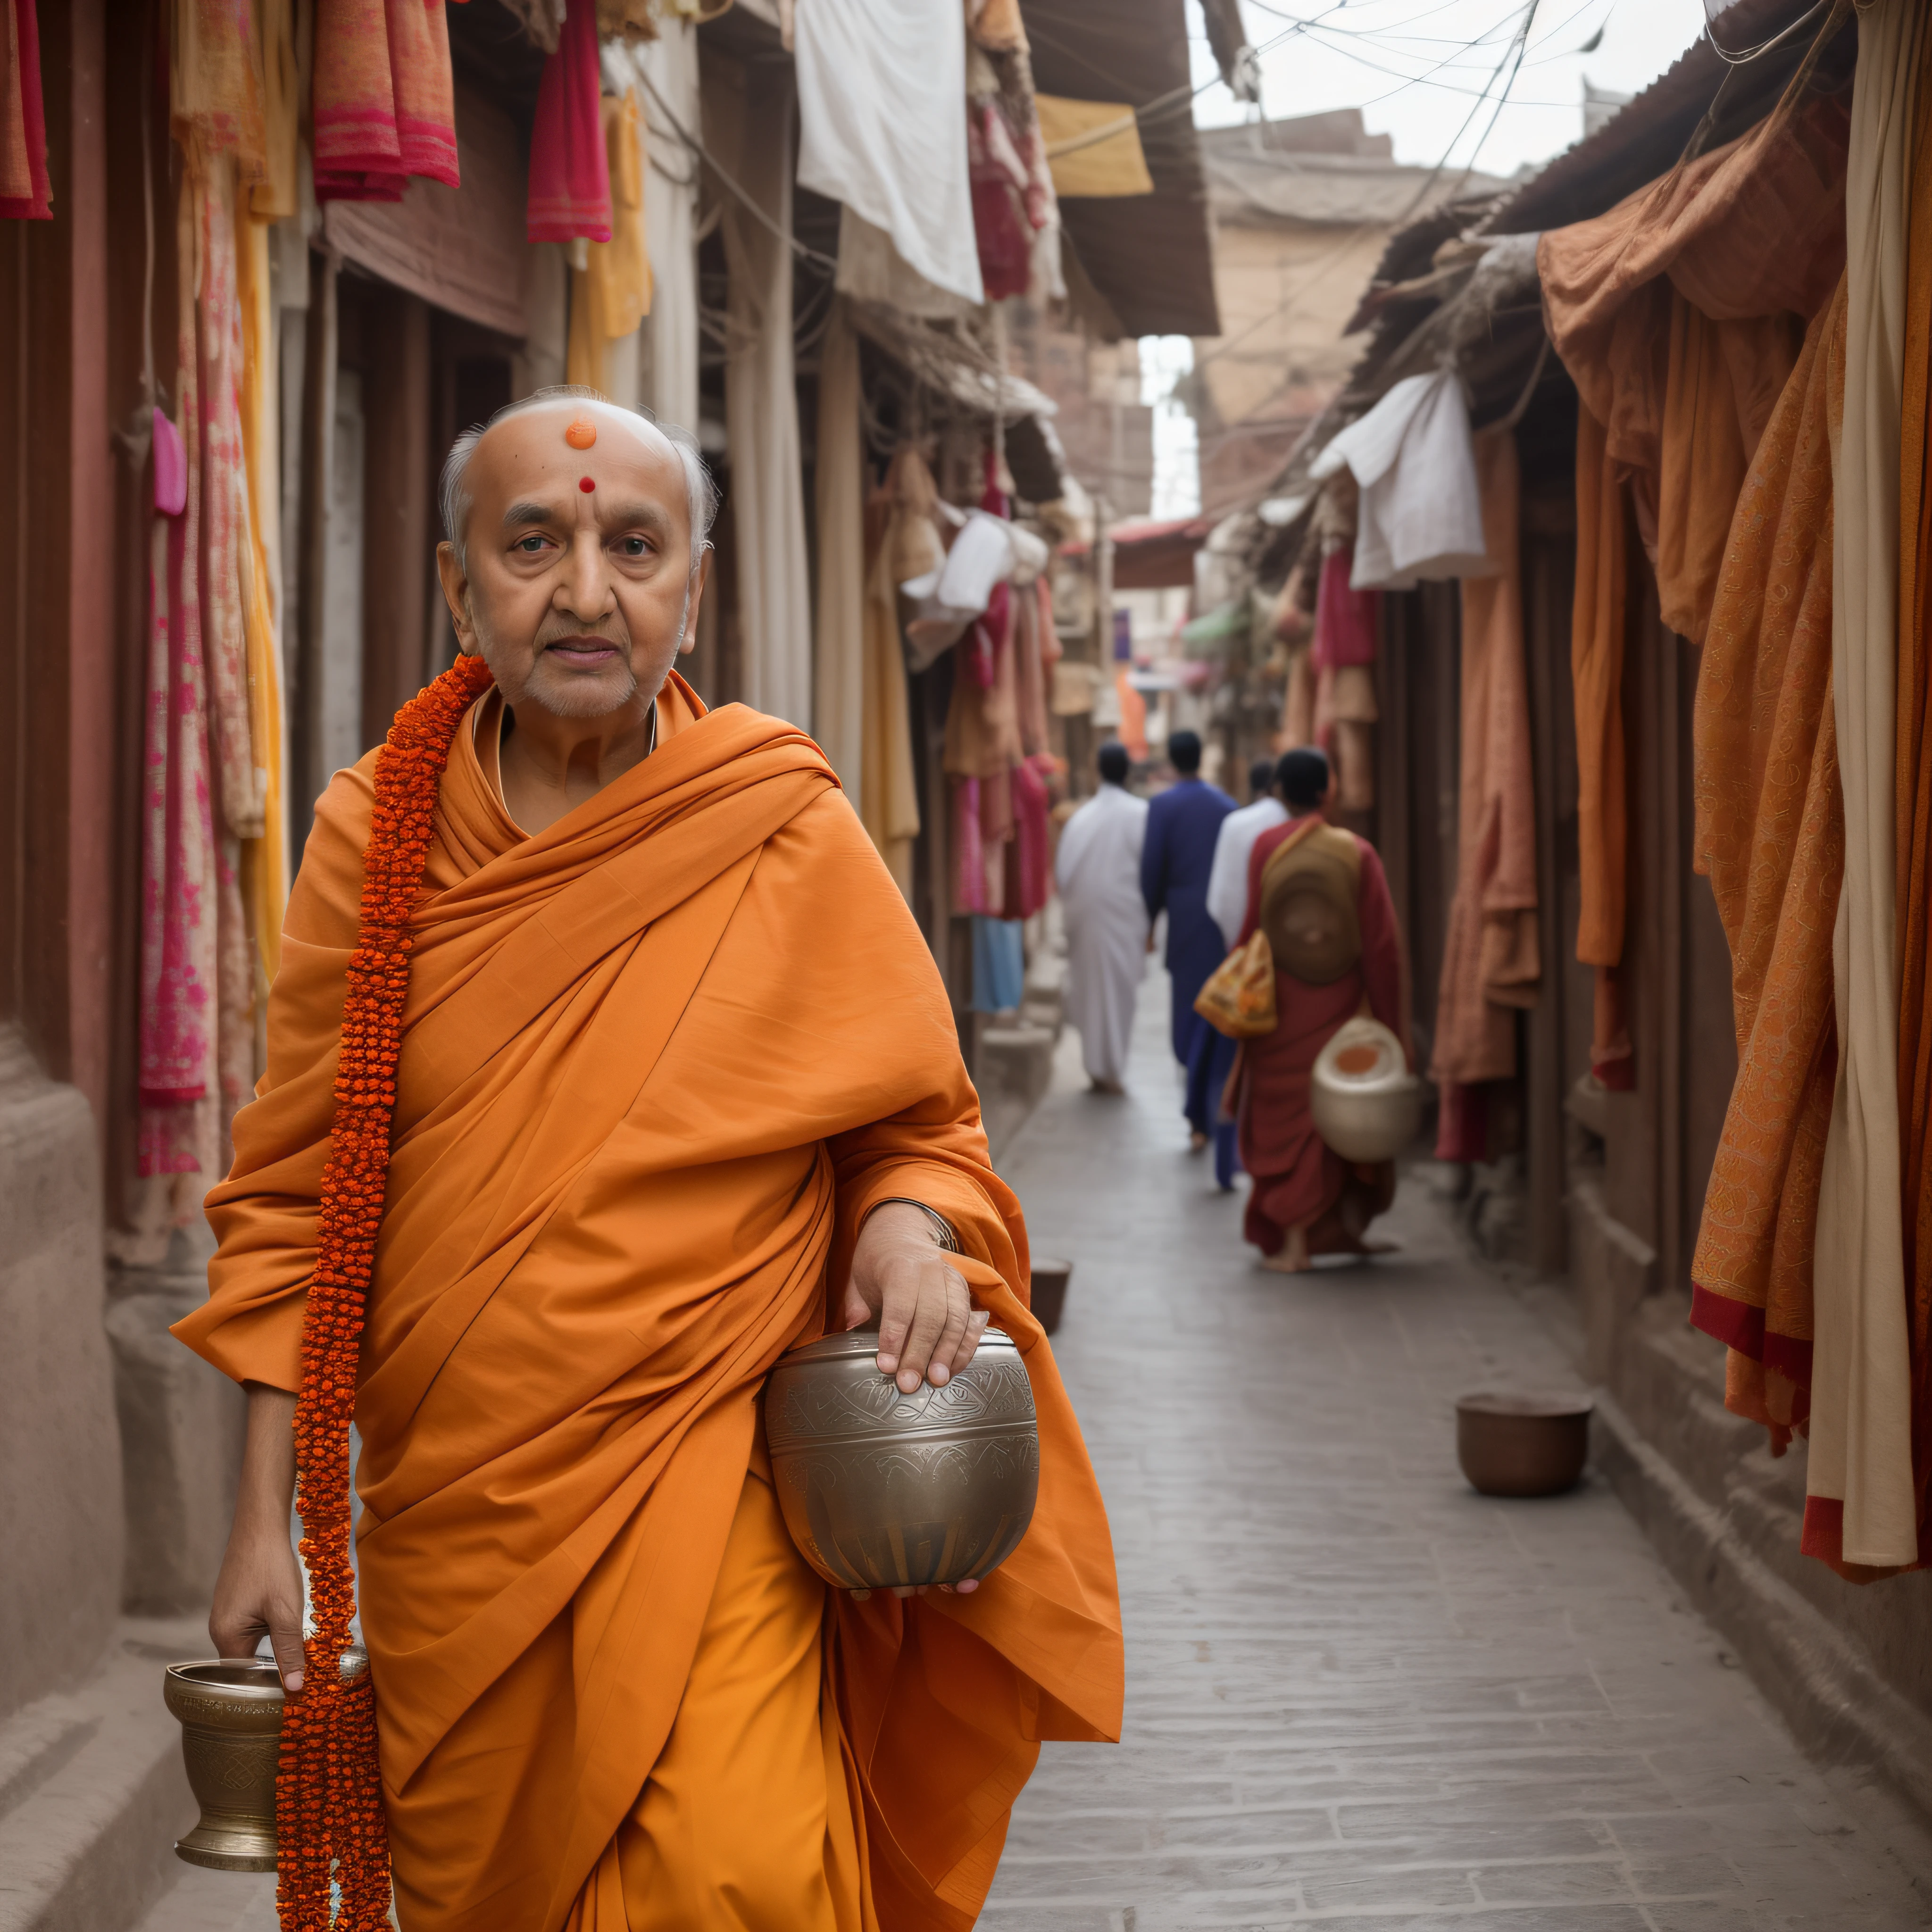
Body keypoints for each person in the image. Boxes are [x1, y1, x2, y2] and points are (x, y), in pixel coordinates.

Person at [174, 391, 1122, 1932]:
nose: (586, 592)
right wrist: (254, 1521)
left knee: (733, 1870)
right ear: (454, 580)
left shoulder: (779, 824)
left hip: (711, 1475)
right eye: (532, 542)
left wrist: (899, 1239)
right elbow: (293, 1197)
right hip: (455, 1523)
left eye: (633, 544)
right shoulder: (371, 836)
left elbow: (917, 1124)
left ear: (695, 586)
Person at [1232, 746, 1407, 1274]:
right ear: (1327, 791)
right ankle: (1336, 1229)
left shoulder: (1266, 846)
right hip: (1341, 1009)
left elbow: (1253, 928)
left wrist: (1239, 991)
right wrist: (1392, 1024)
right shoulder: (1358, 852)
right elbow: (1381, 947)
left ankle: (1297, 1245)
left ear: (1279, 792)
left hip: (1280, 1010)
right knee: (1335, 1115)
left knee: (1288, 1123)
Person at [1190, 755, 1291, 1190]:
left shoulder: (1236, 824)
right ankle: (1274, 1165)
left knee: (1229, 1065)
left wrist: (1242, 951)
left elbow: (1220, 901)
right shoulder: (1305, 832)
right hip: (1294, 970)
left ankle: (1226, 1160)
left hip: (1240, 959)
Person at [1138, 730, 1235, 1149]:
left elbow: (1151, 870)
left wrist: (1152, 919)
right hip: (1221, 923)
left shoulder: (1162, 806)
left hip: (1184, 921)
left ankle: (1198, 1117)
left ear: (1173, 762)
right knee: (1218, 1015)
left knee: (1190, 1013)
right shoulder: (1226, 806)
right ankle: (1210, 1108)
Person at [1055, 741, 1149, 1094]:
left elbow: (1063, 872)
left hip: (1085, 912)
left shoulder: (1082, 816)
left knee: (1091, 988)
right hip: (1123, 913)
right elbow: (1149, 868)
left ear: (1099, 772)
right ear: (1127, 771)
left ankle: (1098, 1067)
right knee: (1117, 991)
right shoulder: (1140, 813)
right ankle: (1108, 1068)